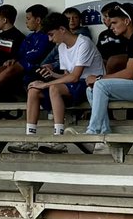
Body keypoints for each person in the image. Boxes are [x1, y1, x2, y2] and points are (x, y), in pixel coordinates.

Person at [10, 13, 105, 153]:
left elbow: (75, 77)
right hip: (74, 85)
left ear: (62, 29)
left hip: (90, 86)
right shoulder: (61, 47)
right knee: (33, 89)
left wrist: (46, 84)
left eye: (51, 34)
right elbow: (67, 76)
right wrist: (52, 74)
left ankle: (59, 139)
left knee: (53, 87)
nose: (50, 39)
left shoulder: (84, 43)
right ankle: (30, 138)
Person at [82, 3, 133, 143]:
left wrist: (99, 78)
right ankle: (104, 133)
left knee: (100, 85)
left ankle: (92, 132)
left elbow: (129, 73)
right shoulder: (132, 38)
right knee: (91, 90)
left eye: (115, 22)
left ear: (127, 21)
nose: (111, 26)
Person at [96, 2, 129, 73]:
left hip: (120, 63)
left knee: (113, 60)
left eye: (106, 16)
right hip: (104, 63)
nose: (104, 19)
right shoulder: (103, 34)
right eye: (103, 17)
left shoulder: (124, 32)